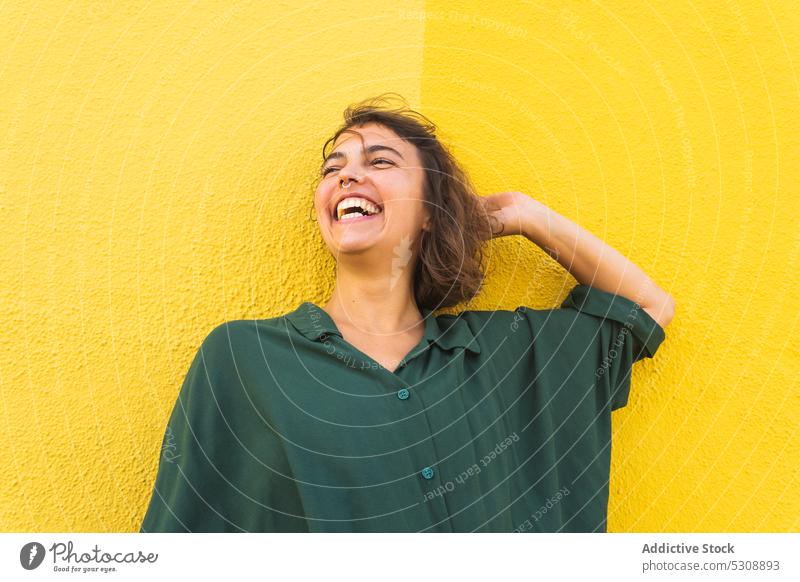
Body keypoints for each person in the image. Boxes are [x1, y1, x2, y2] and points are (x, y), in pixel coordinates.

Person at [139, 94, 675, 533]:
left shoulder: (508, 352)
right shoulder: (243, 358)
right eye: (334, 169)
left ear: (428, 211)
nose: (348, 177)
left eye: (380, 161)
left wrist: (526, 215)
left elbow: (647, 307)